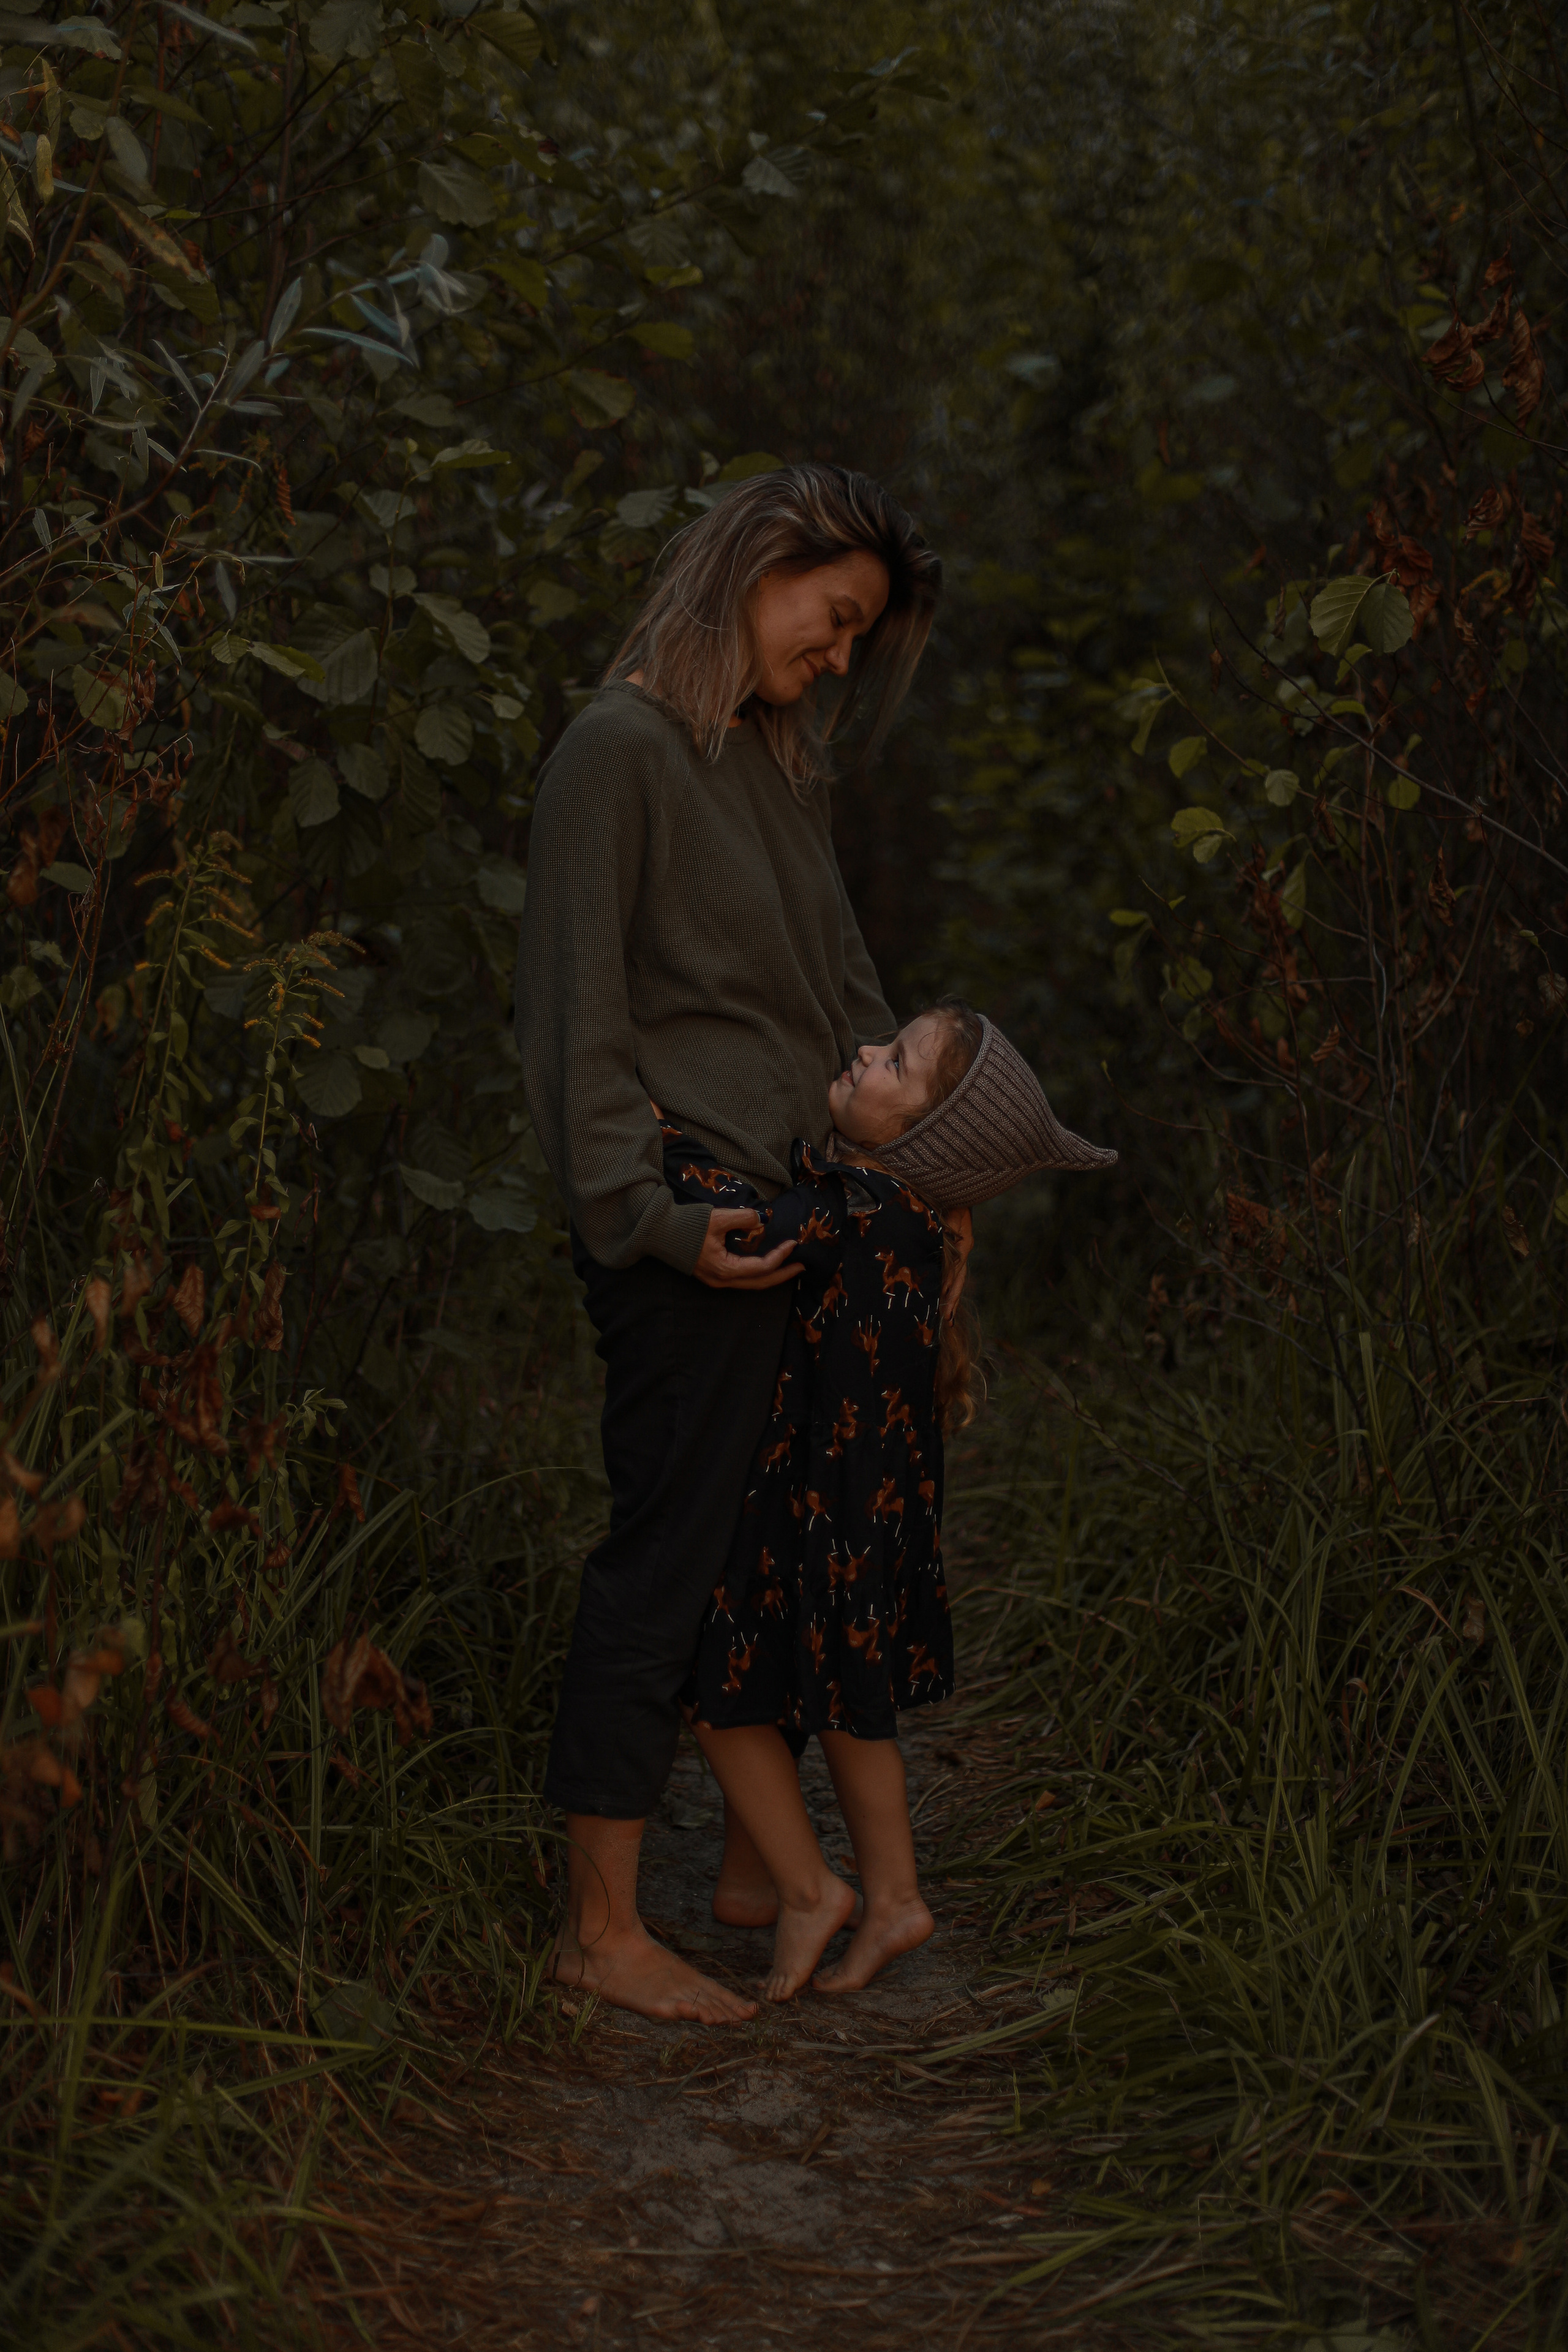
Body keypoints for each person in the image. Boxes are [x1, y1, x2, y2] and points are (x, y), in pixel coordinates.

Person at [514, 462, 948, 2023]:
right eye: (830, 622)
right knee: (667, 1562)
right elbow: (578, 1036)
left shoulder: (764, 759)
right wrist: (654, 1224)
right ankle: (598, 1928)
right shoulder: (613, 755)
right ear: (759, 565)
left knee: (760, 1561)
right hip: (685, 1223)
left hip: (791, 1219)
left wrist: (923, 1167)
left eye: (854, 640)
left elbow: (838, 987)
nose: (836, 660)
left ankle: (758, 1878)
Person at [663, 1003, 1117, 2000]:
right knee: (841, 1705)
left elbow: (747, 1221)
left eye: (895, 1062)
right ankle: (838, 1891)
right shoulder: (910, 1219)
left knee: (719, 1691)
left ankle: (815, 1888)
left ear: (921, 1136)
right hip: (874, 1516)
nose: (865, 1052)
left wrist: (667, 1139)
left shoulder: (850, 1207)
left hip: (823, 1509)